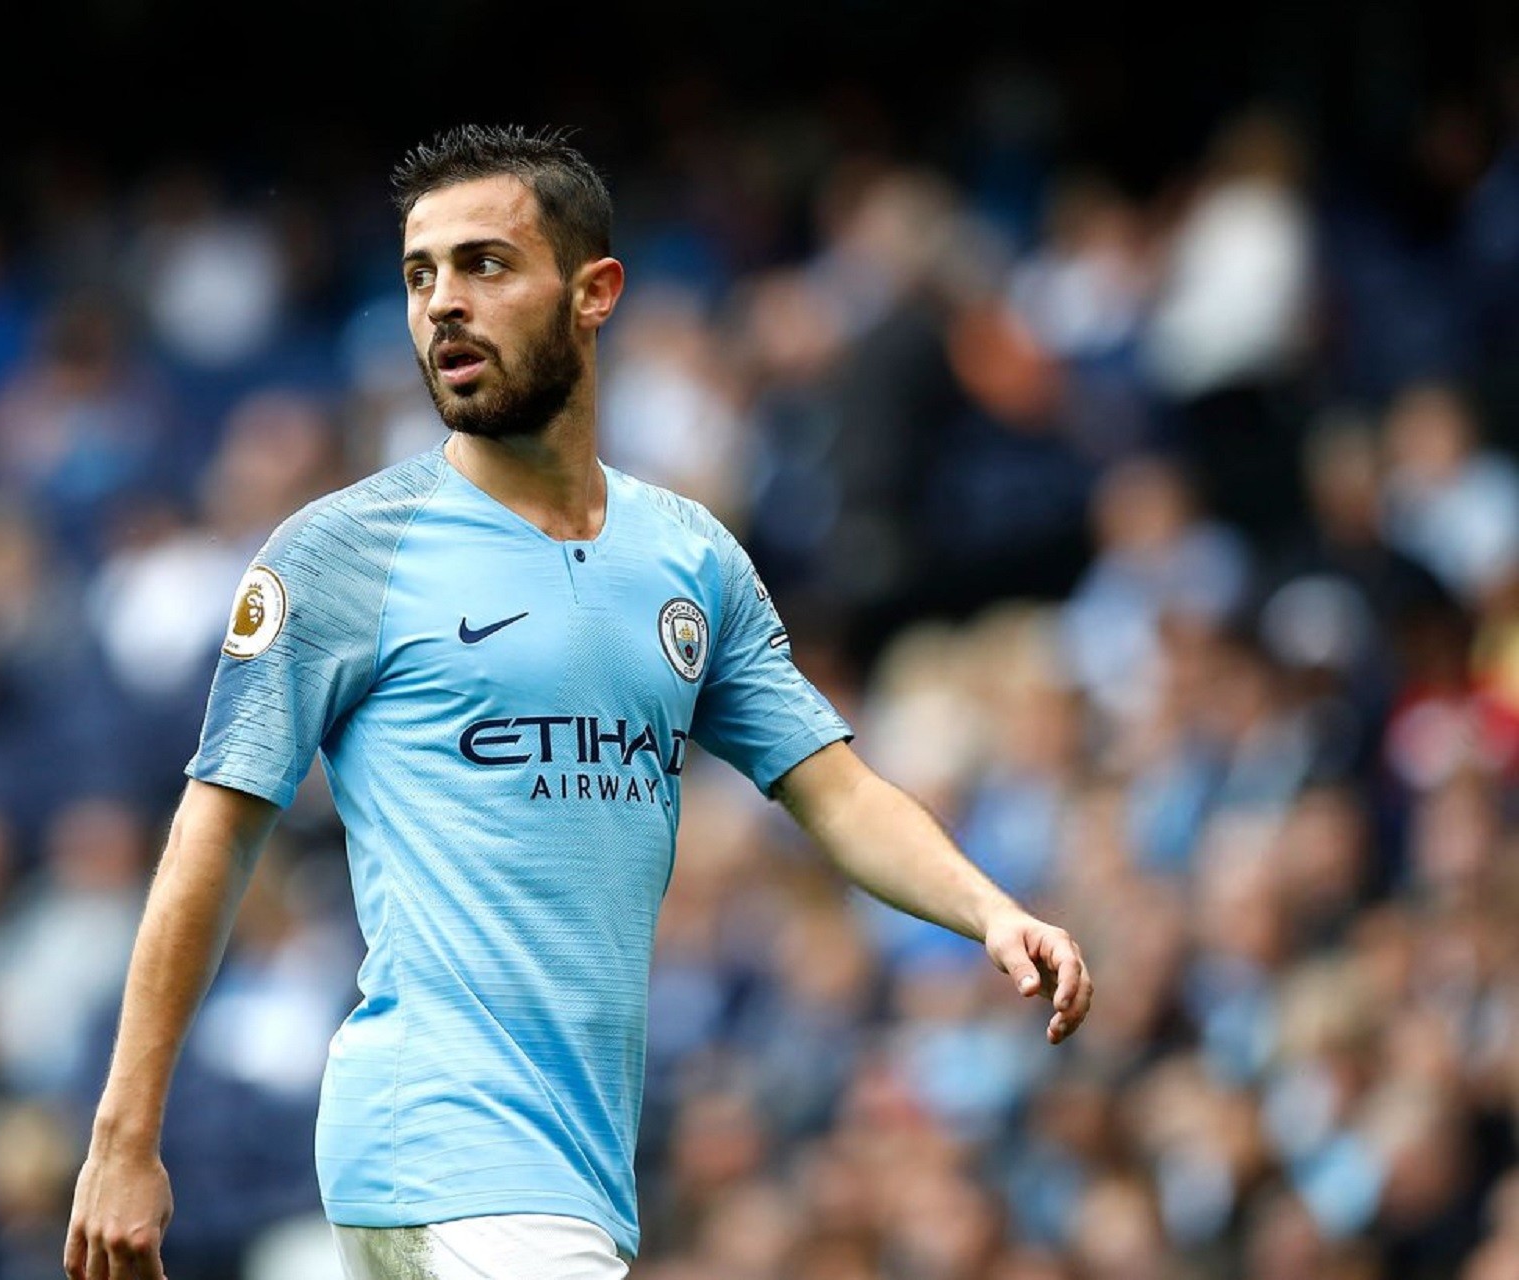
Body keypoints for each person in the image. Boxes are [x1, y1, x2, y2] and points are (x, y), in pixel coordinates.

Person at [64, 124, 1095, 1280]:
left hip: (582, 1167)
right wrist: (122, 1137)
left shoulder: (687, 557)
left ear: (594, 291)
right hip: (438, 1143)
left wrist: (987, 910)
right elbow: (211, 831)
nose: (443, 303)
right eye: (419, 275)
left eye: (484, 264)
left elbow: (836, 791)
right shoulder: (342, 553)